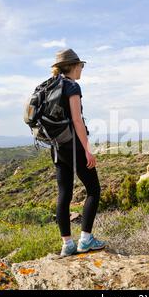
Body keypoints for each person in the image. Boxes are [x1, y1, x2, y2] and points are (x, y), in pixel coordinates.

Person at [49, 48, 106, 257]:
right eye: (81, 65)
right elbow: (77, 120)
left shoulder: (51, 86)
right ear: (73, 66)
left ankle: (67, 244)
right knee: (93, 190)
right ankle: (85, 240)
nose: (82, 69)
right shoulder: (72, 85)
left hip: (57, 146)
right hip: (73, 145)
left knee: (64, 194)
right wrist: (87, 150)